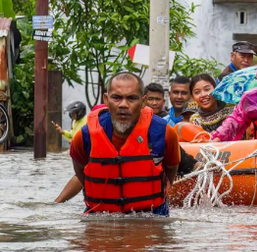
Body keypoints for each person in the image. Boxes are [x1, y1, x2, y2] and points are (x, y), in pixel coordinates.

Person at [69, 73, 184, 215]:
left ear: (143, 102)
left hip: (152, 213)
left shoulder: (164, 132)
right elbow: (80, 170)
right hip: (101, 215)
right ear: (106, 99)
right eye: (116, 98)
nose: (123, 105)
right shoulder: (84, 136)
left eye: (132, 98)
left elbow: (171, 167)